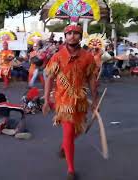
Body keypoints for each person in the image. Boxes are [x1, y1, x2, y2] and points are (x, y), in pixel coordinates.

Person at [42, 24, 99, 180]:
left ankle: (64, 147)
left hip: (80, 102)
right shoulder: (57, 57)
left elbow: (92, 80)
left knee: (79, 130)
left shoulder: (88, 57)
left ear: (80, 37)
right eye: (69, 33)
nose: (72, 36)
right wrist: (46, 100)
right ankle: (71, 170)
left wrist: (95, 101)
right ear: (65, 36)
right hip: (63, 101)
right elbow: (49, 79)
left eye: (76, 33)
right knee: (68, 132)